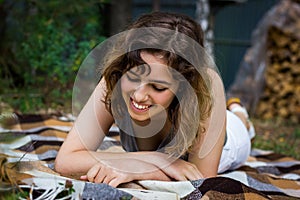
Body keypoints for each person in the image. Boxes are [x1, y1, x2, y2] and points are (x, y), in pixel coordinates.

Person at [55, 11, 255, 188]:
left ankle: (240, 113)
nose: (139, 95)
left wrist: (137, 169)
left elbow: (201, 178)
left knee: (240, 125)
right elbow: (66, 161)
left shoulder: (207, 86)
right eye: (133, 78)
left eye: (158, 87)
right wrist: (156, 160)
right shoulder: (116, 76)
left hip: (232, 138)